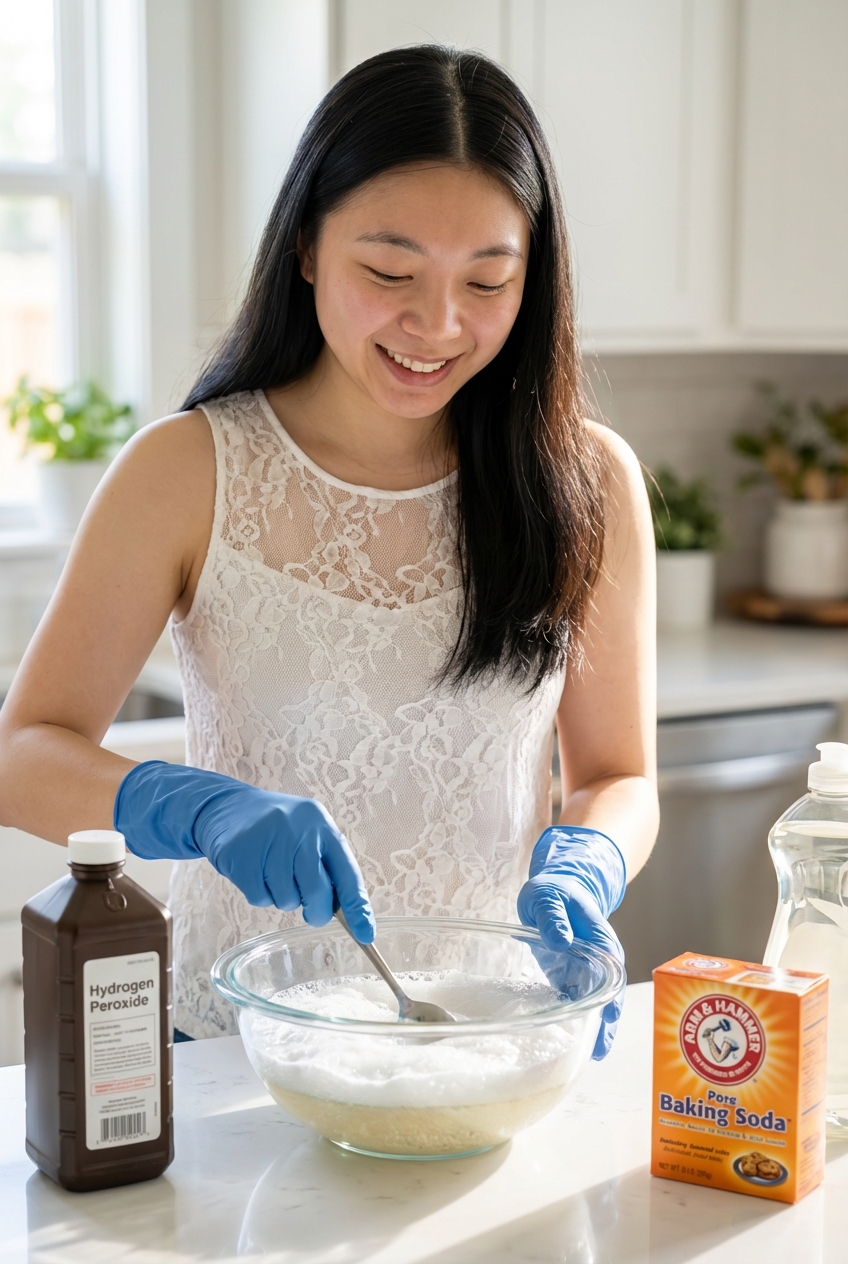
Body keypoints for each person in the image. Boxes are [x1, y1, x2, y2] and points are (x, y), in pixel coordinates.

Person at [0, 46, 658, 1051]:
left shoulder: (586, 482)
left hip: (485, 1035)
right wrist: (195, 807)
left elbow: (619, 772)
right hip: (235, 1048)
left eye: (487, 280)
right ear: (305, 245)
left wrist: (587, 862)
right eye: (388, 271)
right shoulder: (186, 472)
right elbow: (20, 754)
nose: (436, 325)